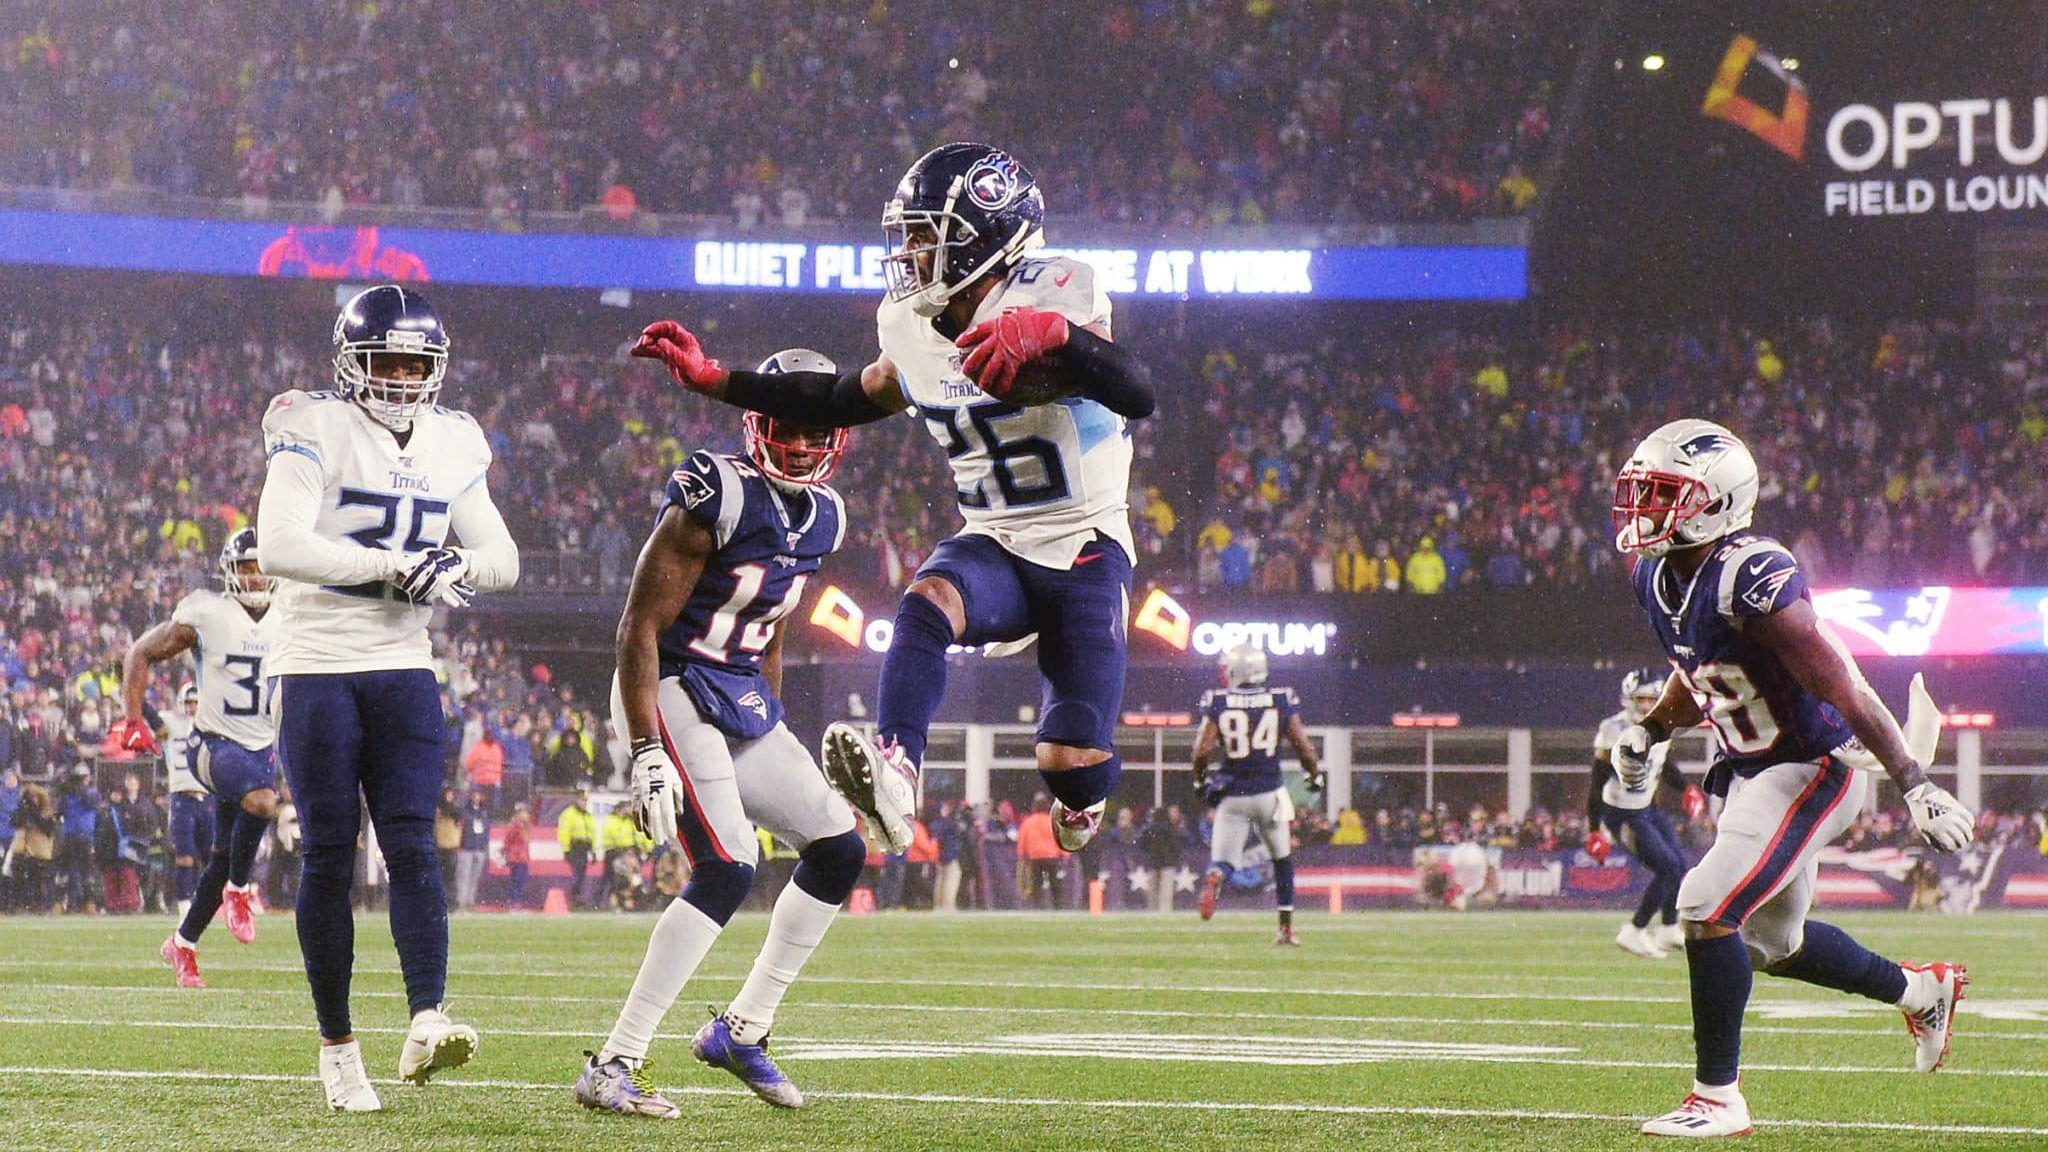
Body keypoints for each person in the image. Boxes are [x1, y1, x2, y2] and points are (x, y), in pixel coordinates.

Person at [630, 143, 1154, 858]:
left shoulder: (1056, 290)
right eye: (908, 232)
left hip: (1086, 541)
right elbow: (844, 396)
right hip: (996, 539)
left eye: (927, 232)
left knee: (1069, 762)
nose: (909, 250)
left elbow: (1137, 391)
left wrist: (1060, 336)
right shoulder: (910, 324)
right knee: (927, 596)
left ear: (987, 235)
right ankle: (896, 775)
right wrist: (720, 379)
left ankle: (1082, 804)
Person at [1611, 419, 1975, 1137]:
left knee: (1707, 906)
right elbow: (1697, 672)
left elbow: (1840, 684)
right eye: (1641, 493)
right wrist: (1650, 729)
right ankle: (1923, 991)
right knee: (1774, 943)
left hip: (1811, 766)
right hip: (1749, 771)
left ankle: (1717, 1098)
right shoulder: (1660, 575)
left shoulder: (1751, 576)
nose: (1644, 509)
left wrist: (1913, 781)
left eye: (1663, 494)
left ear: (1716, 502)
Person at [573, 349, 869, 1119]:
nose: (801, 446)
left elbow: (769, 626)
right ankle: (615, 1061)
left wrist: (774, 727)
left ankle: (742, 1031)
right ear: (756, 425)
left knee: (840, 849)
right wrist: (644, 750)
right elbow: (638, 625)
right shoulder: (716, 492)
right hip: (669, 683)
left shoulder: (828, 515)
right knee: (729, 867)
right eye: (787, 430)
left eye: (816, 433)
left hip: (739, 696)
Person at [256, 284, 519, 1111]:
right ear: (351, 363)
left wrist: (454, 566)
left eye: (416, 363)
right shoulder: (312, 423)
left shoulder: (452, 440)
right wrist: (390, 566)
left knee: (412, 843)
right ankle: (337, 1050)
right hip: (316, 660)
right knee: (330, 853)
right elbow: (280, 545)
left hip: (404, 661)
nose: (403, 378)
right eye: (388, 361)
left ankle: (426, 1016)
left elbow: (502, 556)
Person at [117, 529, 281, 987]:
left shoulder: (290, 614)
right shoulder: (208, 612)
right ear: (230, 572)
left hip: (261, 748)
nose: (255, 577)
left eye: (261, 567)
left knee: (224, 855)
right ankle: (241, 890)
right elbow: (140, 651)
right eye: (246, 568)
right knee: (263, 803)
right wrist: (134, 719)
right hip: (212, 744)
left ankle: (183, 946)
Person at [1191, 644, 1322, 945]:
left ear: (1237, 670)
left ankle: (1215, 877)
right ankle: (1286, 928)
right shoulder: (1280, 698)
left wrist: (1200, 782)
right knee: (1281, 859)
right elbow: (1304, 746)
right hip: (1270, 793)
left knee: (1223, 861)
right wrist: (1314, 776)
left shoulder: (1218, 700)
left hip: (1233, 794)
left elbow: (1203, 751)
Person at [1586, 668, 1704, 960]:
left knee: (1679, 865)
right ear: (1628, 699)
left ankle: (1667, 927)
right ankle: (1634, 930)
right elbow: (1596, 784)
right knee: (1666, 868)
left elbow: (1662, 762)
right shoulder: (1614, 729)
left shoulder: (1660, 724)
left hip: (1647, 808)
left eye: (1651, 699)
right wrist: (1594, 829)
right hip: (1621, 813)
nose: (1646, 705)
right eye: (1640, 699)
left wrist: (1686, 788)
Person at [557, 785, 597, 907]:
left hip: (584, 848)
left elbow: (591, 833)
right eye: (582, 800)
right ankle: (573, 898)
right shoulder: (569, 814)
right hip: (575, 847)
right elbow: (564, 833)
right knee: (576, 875)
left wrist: (593, 850)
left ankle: (577, 898)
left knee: (581, 875)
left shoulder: (587, 816)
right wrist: (566, 850)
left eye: (585, 801)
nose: (584, 803)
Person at [455, 790, 490, 911]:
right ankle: (461, 901)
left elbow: (486, 831)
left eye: (478, 795)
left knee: (475, 877)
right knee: (463, 876)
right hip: (467, 847)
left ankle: (470, 901)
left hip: (479, 848)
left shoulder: (484, 812)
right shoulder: (465, 811)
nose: (477, 798)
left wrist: (484, 846)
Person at [502, 803, 532, 910]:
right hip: (516, 858)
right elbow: (508, 841)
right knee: (516, 881)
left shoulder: (526, 827)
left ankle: (518, 902)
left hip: (523, 858)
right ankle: (515, 903)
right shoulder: (514, 827)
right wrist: (507, 853)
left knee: (521, 881)